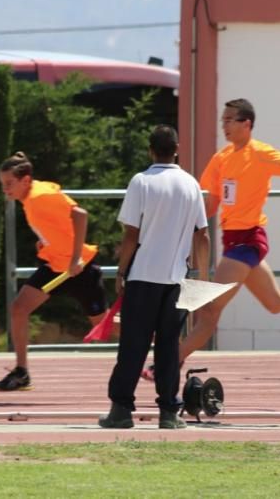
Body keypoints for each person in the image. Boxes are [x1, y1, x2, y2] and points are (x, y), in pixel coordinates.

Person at [145, 99, 280, 380]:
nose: (224, 125)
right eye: (222, 120)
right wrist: (180, 226)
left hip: (248, 240)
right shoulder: (221, 158)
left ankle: (168, 363)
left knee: (210, 310)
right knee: (277, 302)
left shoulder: (261, 154)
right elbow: (212, 206)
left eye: (230, 120)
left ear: (246, 124)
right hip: (233, 241)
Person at [99, 126, 209, 430]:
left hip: (143, 275)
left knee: (133, 345)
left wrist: (121, 271)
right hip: (175, 278)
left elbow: (131, 232)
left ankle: (121, 410)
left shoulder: (141, 182)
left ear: (150, 150)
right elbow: (203, 236)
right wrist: (199, 276)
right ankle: (169, 412)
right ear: (177, 148)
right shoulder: (191, 184)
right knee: (169, 346)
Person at [0, 152, 109, 391]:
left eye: (9, 184)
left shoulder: (39, 196)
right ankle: (21, 372)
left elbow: (80, 215)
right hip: (55, 266)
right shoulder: (30, 198)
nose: (5, 189)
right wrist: (46, 242)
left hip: (78, 269)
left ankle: (161, 340)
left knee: (107, 326)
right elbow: (57, 225)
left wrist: (76, 257)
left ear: (24, 181)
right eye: (2, 184)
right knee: (18, 309)